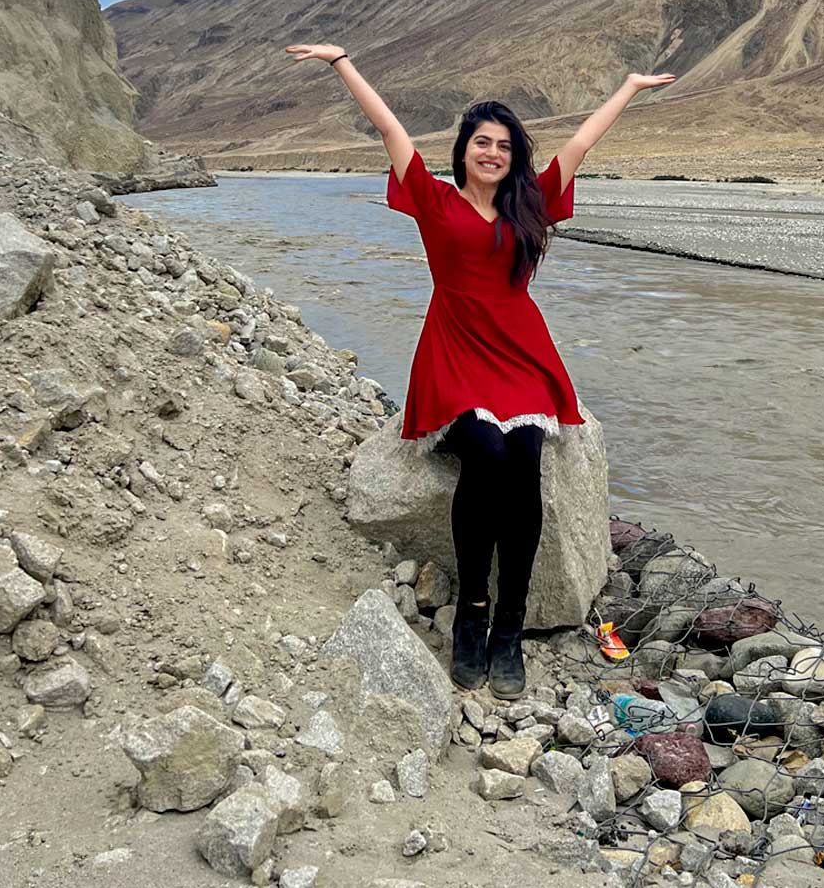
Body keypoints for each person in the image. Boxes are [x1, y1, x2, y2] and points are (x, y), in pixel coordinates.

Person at [285, 41, 675, 695]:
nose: (492, 153)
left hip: (521, 360)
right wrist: (341, 62)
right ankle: (472, 612)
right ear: (463, 149)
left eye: (503, 145)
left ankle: (508, 628)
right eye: (481, 143)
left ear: (511, 156)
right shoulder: (434, 204)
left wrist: (629, 88)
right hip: (456, 357)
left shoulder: (530, 206)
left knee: (523, 465)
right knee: (486, 456)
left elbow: (578, 148)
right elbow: (389, 128)